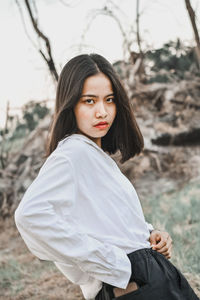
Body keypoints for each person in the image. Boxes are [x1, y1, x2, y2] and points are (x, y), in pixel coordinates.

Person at [14, 53, 199, 300]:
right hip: (132, 283)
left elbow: (105, 218)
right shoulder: (72, 153)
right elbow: (30, 216)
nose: (102, 112)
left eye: (109, 100)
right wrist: (114, 264)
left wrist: (149, 234)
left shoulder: (94, 156)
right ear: (71, 104)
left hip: (148, 272)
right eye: (89, 101)